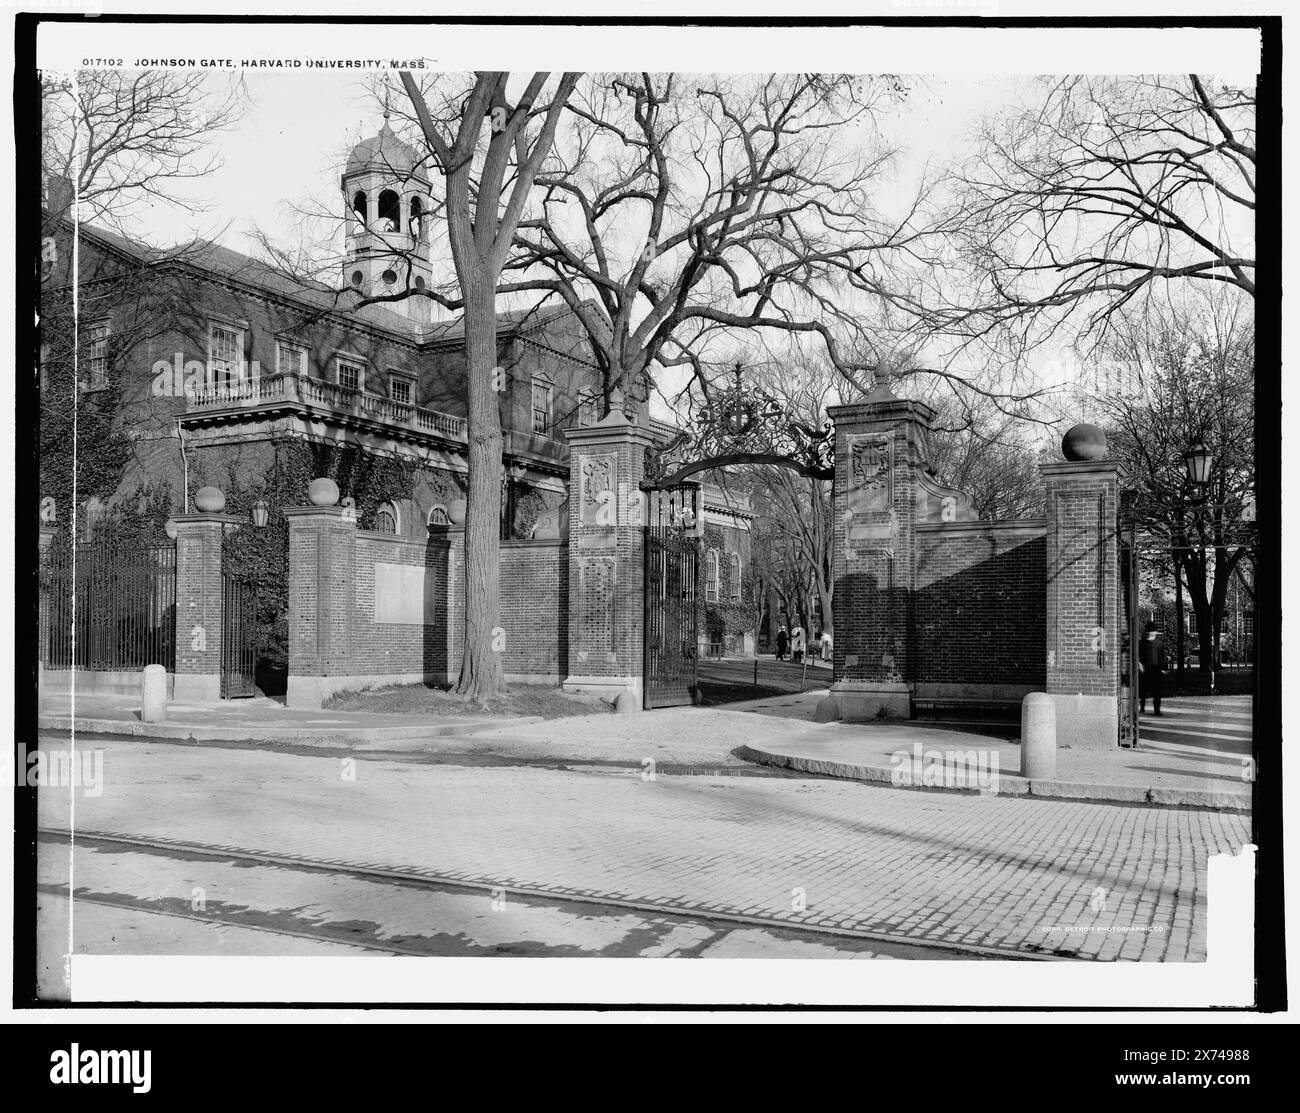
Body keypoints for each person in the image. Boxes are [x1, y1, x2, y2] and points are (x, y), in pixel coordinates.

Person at [1138, 622, 1167, 716]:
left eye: (1153, 631)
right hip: (1145, 670)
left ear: (1156, 632)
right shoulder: (1141, 642)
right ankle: (1142, 708)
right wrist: (1139, 665)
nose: (1151, 633)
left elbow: (1162, 656)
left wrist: (1163, 668)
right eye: (1149, 631)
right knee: (1143, 691)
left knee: (1157, 692)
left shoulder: (1159, 643)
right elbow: (1137, 656)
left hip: (1156, 670)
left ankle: (1157, 710)